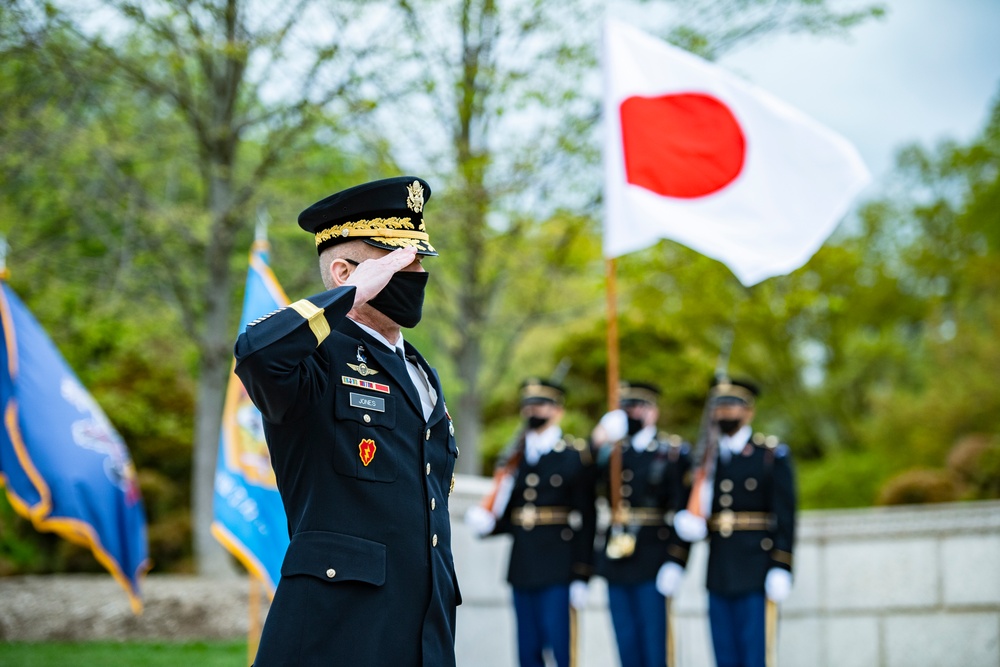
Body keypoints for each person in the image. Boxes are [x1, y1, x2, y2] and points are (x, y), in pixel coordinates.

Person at [234, 176, 460, 666]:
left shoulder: (420, 371)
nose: (415, 272)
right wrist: (350, 297)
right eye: (398, 261)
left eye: (419, 259)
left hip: (423, 628)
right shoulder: (314, 358)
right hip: (336, 629)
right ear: (343, 271)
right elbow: (255, 357)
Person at [464, 378, 597, 667]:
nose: (534, 411)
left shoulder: (574, 456)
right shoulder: (517, 457)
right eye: (529, 406)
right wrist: (488, 524)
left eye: (541, 405)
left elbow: (588, 519)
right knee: (527, 652)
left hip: (559, 568)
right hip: (523, 567)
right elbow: (512, 513)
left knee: (563, 651)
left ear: (558, 411)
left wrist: (582, 574)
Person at [673, 378, 796, 667]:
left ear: (748, 411)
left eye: (732, 407)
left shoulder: (769, 455)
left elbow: (786, 516)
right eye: (719, 408)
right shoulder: (709, 459)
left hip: (756, 569)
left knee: (755, 655)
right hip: (719, 572)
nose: (725, 414)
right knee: (724, 655)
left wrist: (782, 564)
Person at [591, 381, 693, 667]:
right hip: (617, 558)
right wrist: (597, 439)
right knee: (626, 644)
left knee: (656, 647)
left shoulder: (673, 453)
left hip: (654, 559)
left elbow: (686, 513)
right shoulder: (612, 453)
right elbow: (581, 480)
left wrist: (677, 559)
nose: (630, 414)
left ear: (652, 412)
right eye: (625, 408)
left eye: (637, 407)